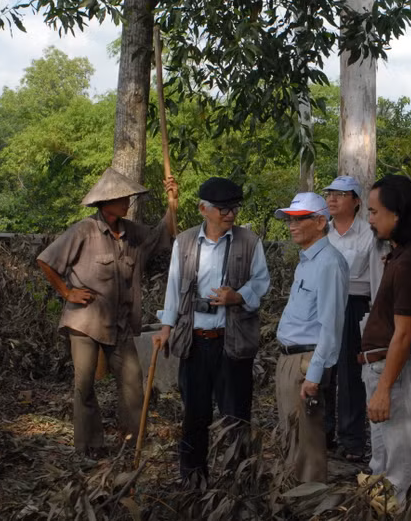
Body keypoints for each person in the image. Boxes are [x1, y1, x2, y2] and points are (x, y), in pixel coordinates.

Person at [36, 168, 177, 458]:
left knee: (132, 384)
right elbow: (46, 260)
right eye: (122, 197)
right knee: (84, 385)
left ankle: (134, 443)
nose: (127, 202)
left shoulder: (132, 232)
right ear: (106, 202)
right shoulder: (84, 230)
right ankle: (90, 446)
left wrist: (172, 203)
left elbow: (162, 236)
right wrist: (67, 292)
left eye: (127, 197)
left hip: (121, 324)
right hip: (85, 321)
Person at [155, 177, 270, 485]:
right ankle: (192, 478)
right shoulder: (186, 242)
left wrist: (238, 296)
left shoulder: (249, 241)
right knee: (195, 415)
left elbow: (261, 282)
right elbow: (173, 290)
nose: (230, 214)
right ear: (203, 209)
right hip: (195, 342)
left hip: (232, 342)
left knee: (235, 416)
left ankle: (237, 482)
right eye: (223, 209)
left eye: (234, 208)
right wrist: (167, 327)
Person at [359, 174, 411, 501]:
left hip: (400, 373)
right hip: (389, 369)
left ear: (397, 214)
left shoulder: (410, 260)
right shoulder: (404, 253)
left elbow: (405, 332)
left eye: (374, 212)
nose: (370, 219)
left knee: (401, 473)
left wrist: (383, 389)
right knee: (383, 464)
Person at [274, 192, 348, 483]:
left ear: (320, 222)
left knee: (308, 440)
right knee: (292, 435)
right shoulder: (307, 261)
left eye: (300, 219)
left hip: (306, 363)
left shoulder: (329, 263)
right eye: (290, 219)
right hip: (290, 359)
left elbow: (331, 327)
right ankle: (294, 496)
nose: (292, 225)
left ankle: (311, 498)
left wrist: (314, 376)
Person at [321, 176, 376, 462]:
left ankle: (352, 440)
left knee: (351, 375)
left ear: (356, 201)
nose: (332, 200)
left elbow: (372, 279)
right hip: (323, 306)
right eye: (330, 194)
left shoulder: (369, 234)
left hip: (354, 306)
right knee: (322, 371)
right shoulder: (322, 232)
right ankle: (324, 433)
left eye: (340, 195)